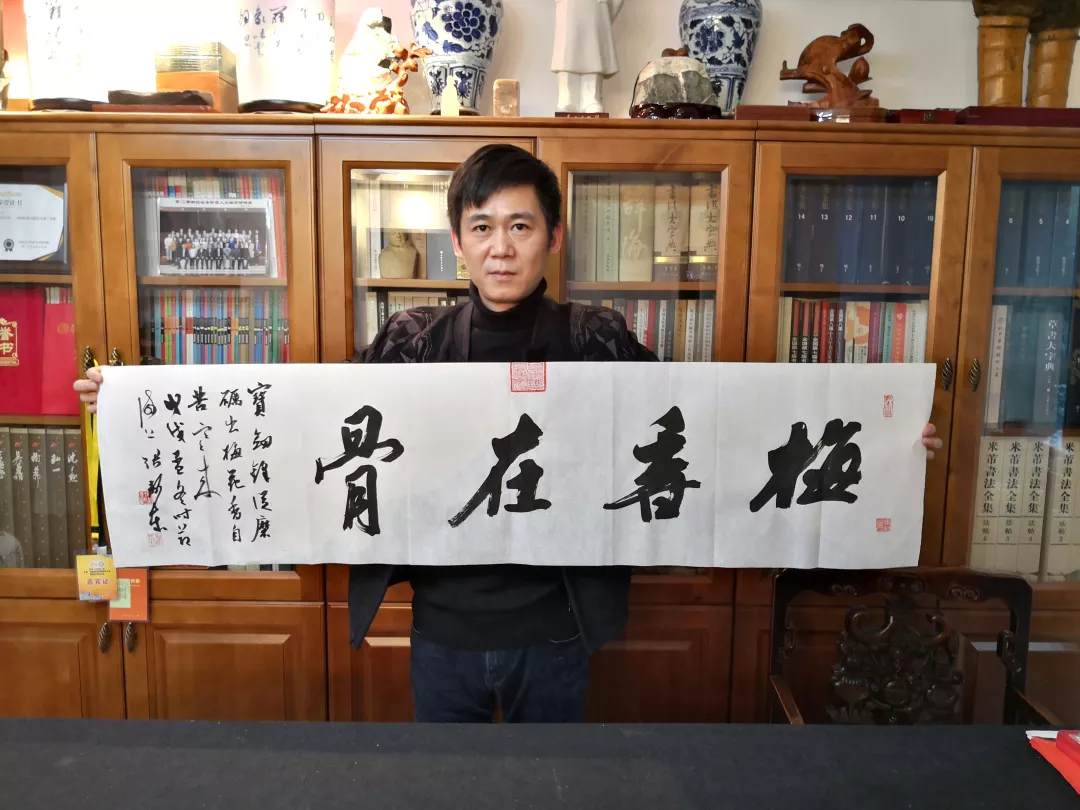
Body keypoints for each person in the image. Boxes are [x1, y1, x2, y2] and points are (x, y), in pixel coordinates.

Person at [74, 144, 944, 723]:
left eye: (521, 226)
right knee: (448, 795)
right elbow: (306, 428)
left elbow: (709, 435)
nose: (501, 247)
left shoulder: (596, 339)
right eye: (482, 228)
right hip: (443, 632)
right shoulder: (411, 340)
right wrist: (127, 404)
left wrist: (883, 445)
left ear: (552, 237)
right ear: (458, 242)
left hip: (554, 631)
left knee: (549, 792)